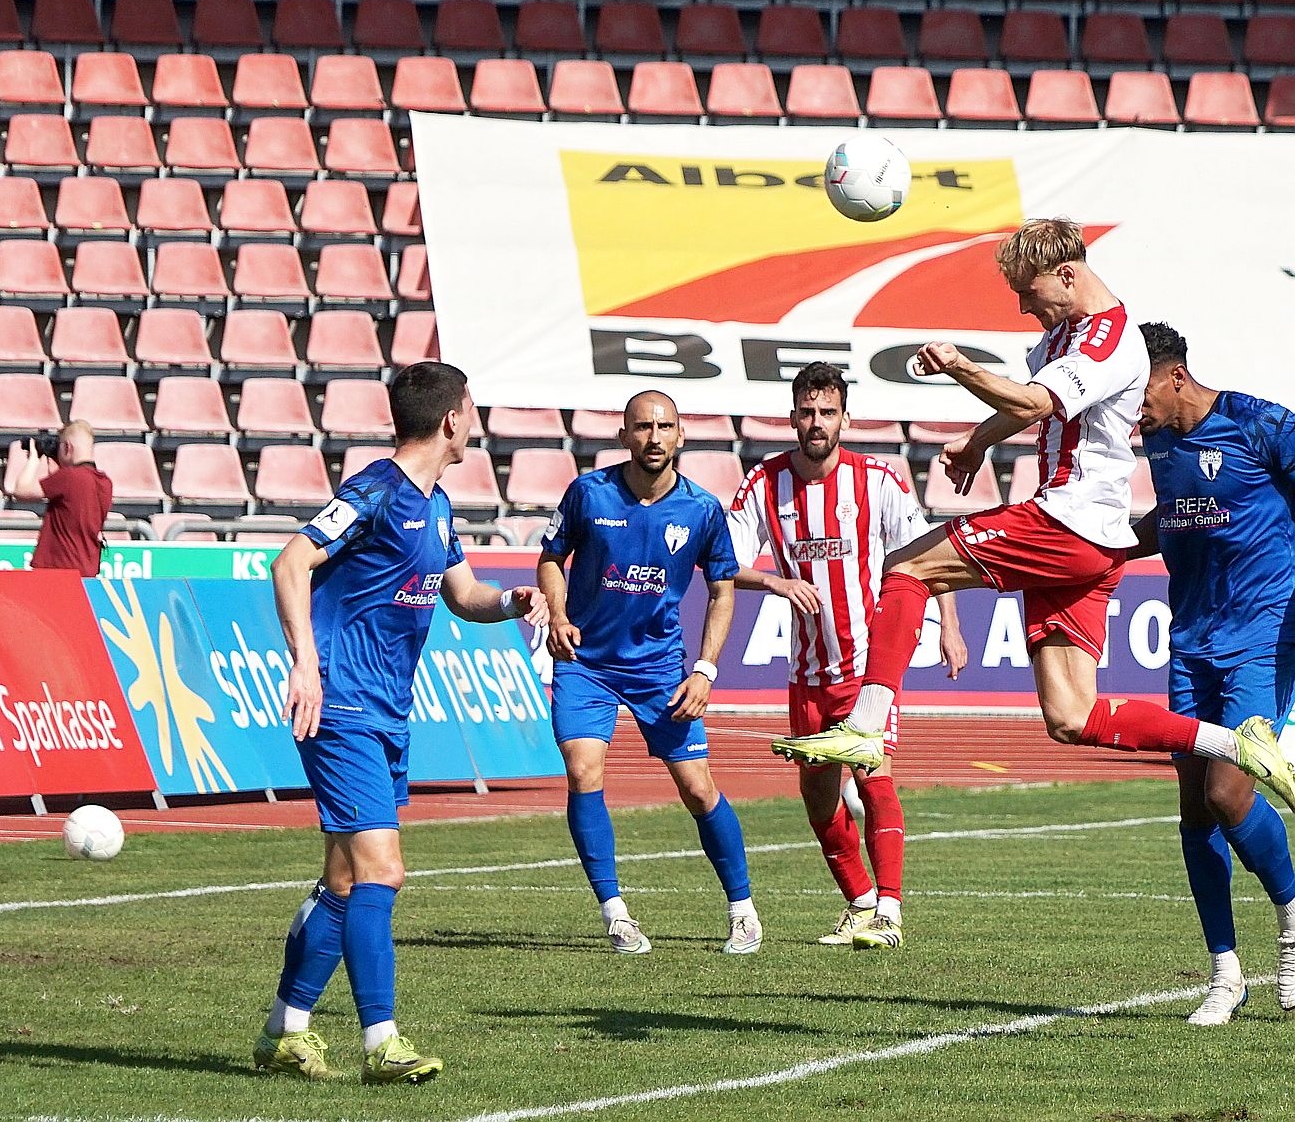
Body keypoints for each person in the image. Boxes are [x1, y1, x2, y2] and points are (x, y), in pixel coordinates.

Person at [773, 218, 1295, 810]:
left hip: (1067, 522)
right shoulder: (1061, 338)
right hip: (1089, 539)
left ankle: (867, 725)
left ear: (1066, 276)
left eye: (1029, 291)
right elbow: (1032, 412)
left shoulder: (1109, 338)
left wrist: (960, 366)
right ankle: (1237, 745)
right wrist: (977, 443)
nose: (1023, 306)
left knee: (906, 566)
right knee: (1071, 716)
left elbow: (1032, 401)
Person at [254, 361, 548, 1085]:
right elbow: (289, 564)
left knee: (343, 881)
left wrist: (509, 603)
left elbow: (463, 595)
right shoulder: (375, 491)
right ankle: (381, 1041)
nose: (473, 422)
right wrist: (306, 664)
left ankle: (285, 1031)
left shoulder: (437, 505)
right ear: (451, 419)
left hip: (387, 711)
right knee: (382, 870)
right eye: (470, 410)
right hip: (343, 705)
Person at [727, 362, 967, 951]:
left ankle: (889, 910)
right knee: (817, 794)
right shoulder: (764, 483)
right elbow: (724, 561)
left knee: (874, 774)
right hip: (807, 671)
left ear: (845, 419)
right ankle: (859, 902)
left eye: (827, 412)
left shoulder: (877, 480)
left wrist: (951, 624)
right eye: (808, 412)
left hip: (866, 668)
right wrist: (775, 583)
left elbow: (928, 552)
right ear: (792, 418)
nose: (817, 423)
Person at [537, 389, 759, 956]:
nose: (653, 437)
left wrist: (704, 671)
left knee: (697, 787)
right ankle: (615, 913)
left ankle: (743, 911)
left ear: (680, 435)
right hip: (585, 663)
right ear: (624, 436)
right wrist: (558, 615)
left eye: (664, 427)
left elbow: (723, 591)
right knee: (583, 770)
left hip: (659, 668)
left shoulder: (702, 509)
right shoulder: (588, 493)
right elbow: (550, 559)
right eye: (642, 427)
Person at [1132, 321, 1295, 1025]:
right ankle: (1225, 973)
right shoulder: (1157, 441)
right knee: (1195, 806)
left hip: (1264, 636)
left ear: (1175, 376)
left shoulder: (1261, 425)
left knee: (1229, 793)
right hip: (1191, 640)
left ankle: (1291, 924)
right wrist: (1098, 548)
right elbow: (1171, 517)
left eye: (1138, 390)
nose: (1131, 407)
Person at [13, 421, 112, 577]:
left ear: (67, 447)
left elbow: (21, 490)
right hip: (88, 570)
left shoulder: (69, 477)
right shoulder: (105, 482)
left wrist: (33, 459)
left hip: (57, 570)